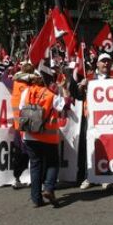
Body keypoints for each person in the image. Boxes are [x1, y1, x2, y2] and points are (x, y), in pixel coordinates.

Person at [18, 66, 69, 208]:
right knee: (52, 163)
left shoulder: (26, 92)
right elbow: (66, 105)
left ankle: (36, 198)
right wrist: (64, 89)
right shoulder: (50, 94)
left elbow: (22, 109)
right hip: (48, 136)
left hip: (30, 134)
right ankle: (49, 188)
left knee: (35, 166)